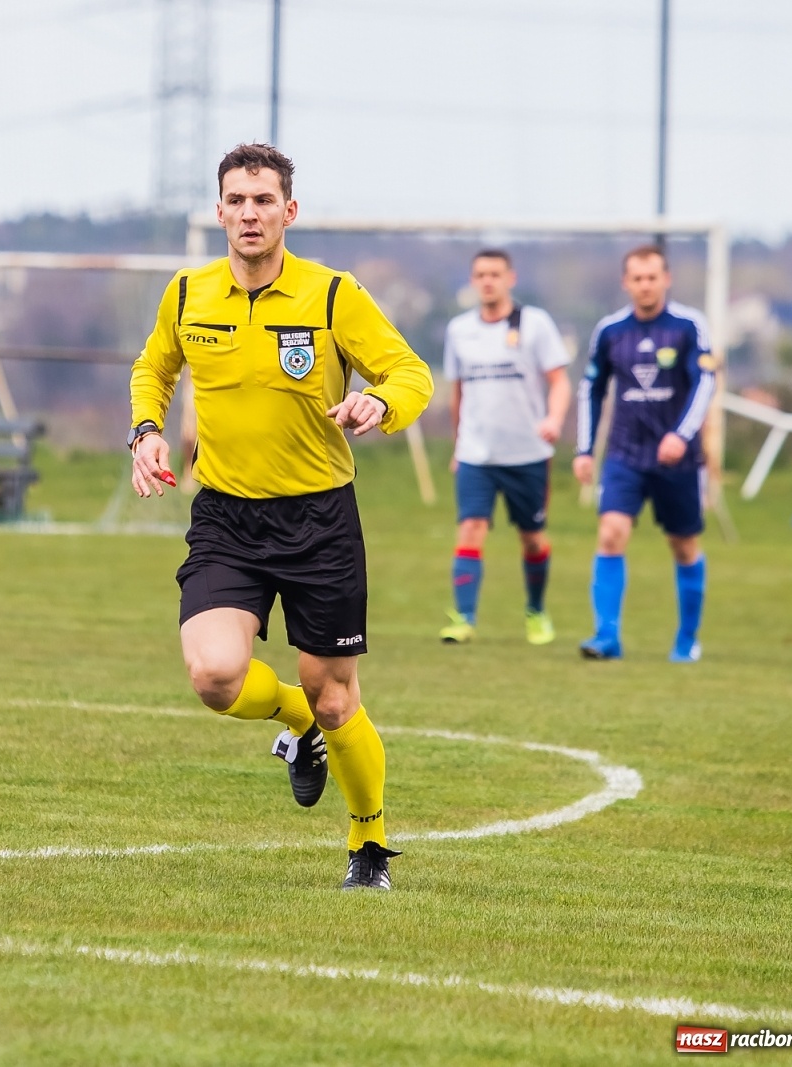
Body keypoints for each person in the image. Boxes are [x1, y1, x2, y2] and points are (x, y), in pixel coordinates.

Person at [128, 144, 434, 890]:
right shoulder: (187, 293)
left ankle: (369, 843)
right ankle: (295, 725)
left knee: (337, 697)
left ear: (289, 211)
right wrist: (145, 430)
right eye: (236, 200)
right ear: (220, 212)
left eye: (264, 200)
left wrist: (379, 401)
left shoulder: (333, 295)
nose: (250, 213)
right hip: (226, 518)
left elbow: (412, 374)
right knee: (213, 675)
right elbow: (153, 368)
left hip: (319, 520)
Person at [574, 245, 714, 662]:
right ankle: (606, 637)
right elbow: (591, 390)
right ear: (626, 283)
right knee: (611, 533)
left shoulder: (689, 326)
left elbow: (705, 384)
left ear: (665, 279)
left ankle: (687, 639)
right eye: (637, 278)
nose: (645, 285)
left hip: (678, 458)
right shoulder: (611, 330)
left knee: (684, 545)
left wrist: (682, 436)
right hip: (625, 454)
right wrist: (584, 450)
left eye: (652, 277)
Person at [438, 249, 571, 645]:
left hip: (527, 455)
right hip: (477, 454)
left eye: (495, 273)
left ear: (510, 278)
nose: (487, 281)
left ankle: (535, 610)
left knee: (532, 537)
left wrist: (553, 420)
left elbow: (560, 381)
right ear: (472, 280)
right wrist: (458, 444)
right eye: (480, 274)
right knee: (471, 529)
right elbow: (457, 392)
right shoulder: (460, 330)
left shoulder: (535, 324)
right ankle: (463, 618)